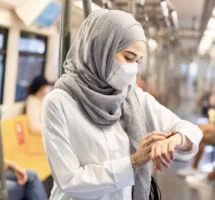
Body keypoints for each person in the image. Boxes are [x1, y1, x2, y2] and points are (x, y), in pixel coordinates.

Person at [42, 9, 202, 200]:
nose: (132, 68)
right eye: (128, 57)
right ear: (102, 49)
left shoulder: (132, 97)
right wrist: (133, 162)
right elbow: (69, 180)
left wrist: (174, 140)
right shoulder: (58, 103)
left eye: (137, 61)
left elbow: (190, 130)